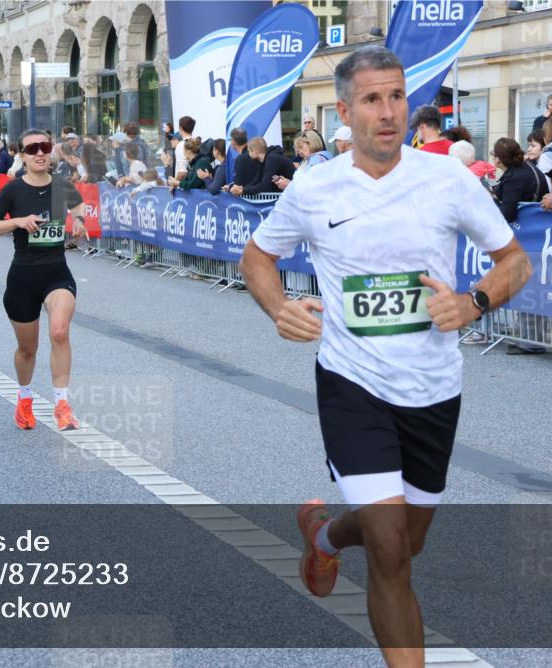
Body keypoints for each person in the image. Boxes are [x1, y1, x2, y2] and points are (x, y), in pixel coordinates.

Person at [239, 45, 531, 667]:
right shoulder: (316, 188)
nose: (388, 110)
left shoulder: (447, 178)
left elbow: (515, 261)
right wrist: (278, 306)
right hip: (353, 383)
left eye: (396, 96)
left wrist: (474, 301)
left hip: (434, 387)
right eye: (372, 99)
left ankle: (323, 533)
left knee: (406, 541)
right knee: (392, 553)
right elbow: (257, 258)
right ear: (345, 111)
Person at [0, 128, 89, 432]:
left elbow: (77, 204)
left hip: (56, 272)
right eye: (32, 149)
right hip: (23, 277)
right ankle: (25, 398)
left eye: (44, 147)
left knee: (58, 333)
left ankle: (62, 404)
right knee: (28, 349)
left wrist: (78, 220)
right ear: (23, 156)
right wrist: (17, 221)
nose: (40, 153)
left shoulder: (61, 186)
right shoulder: (14, 190)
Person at [174, 116, 196, 181]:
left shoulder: (181, 145)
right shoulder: (197, 142)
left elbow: (182, 172)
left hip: (184, 187)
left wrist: (174, 184)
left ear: (180, 128)